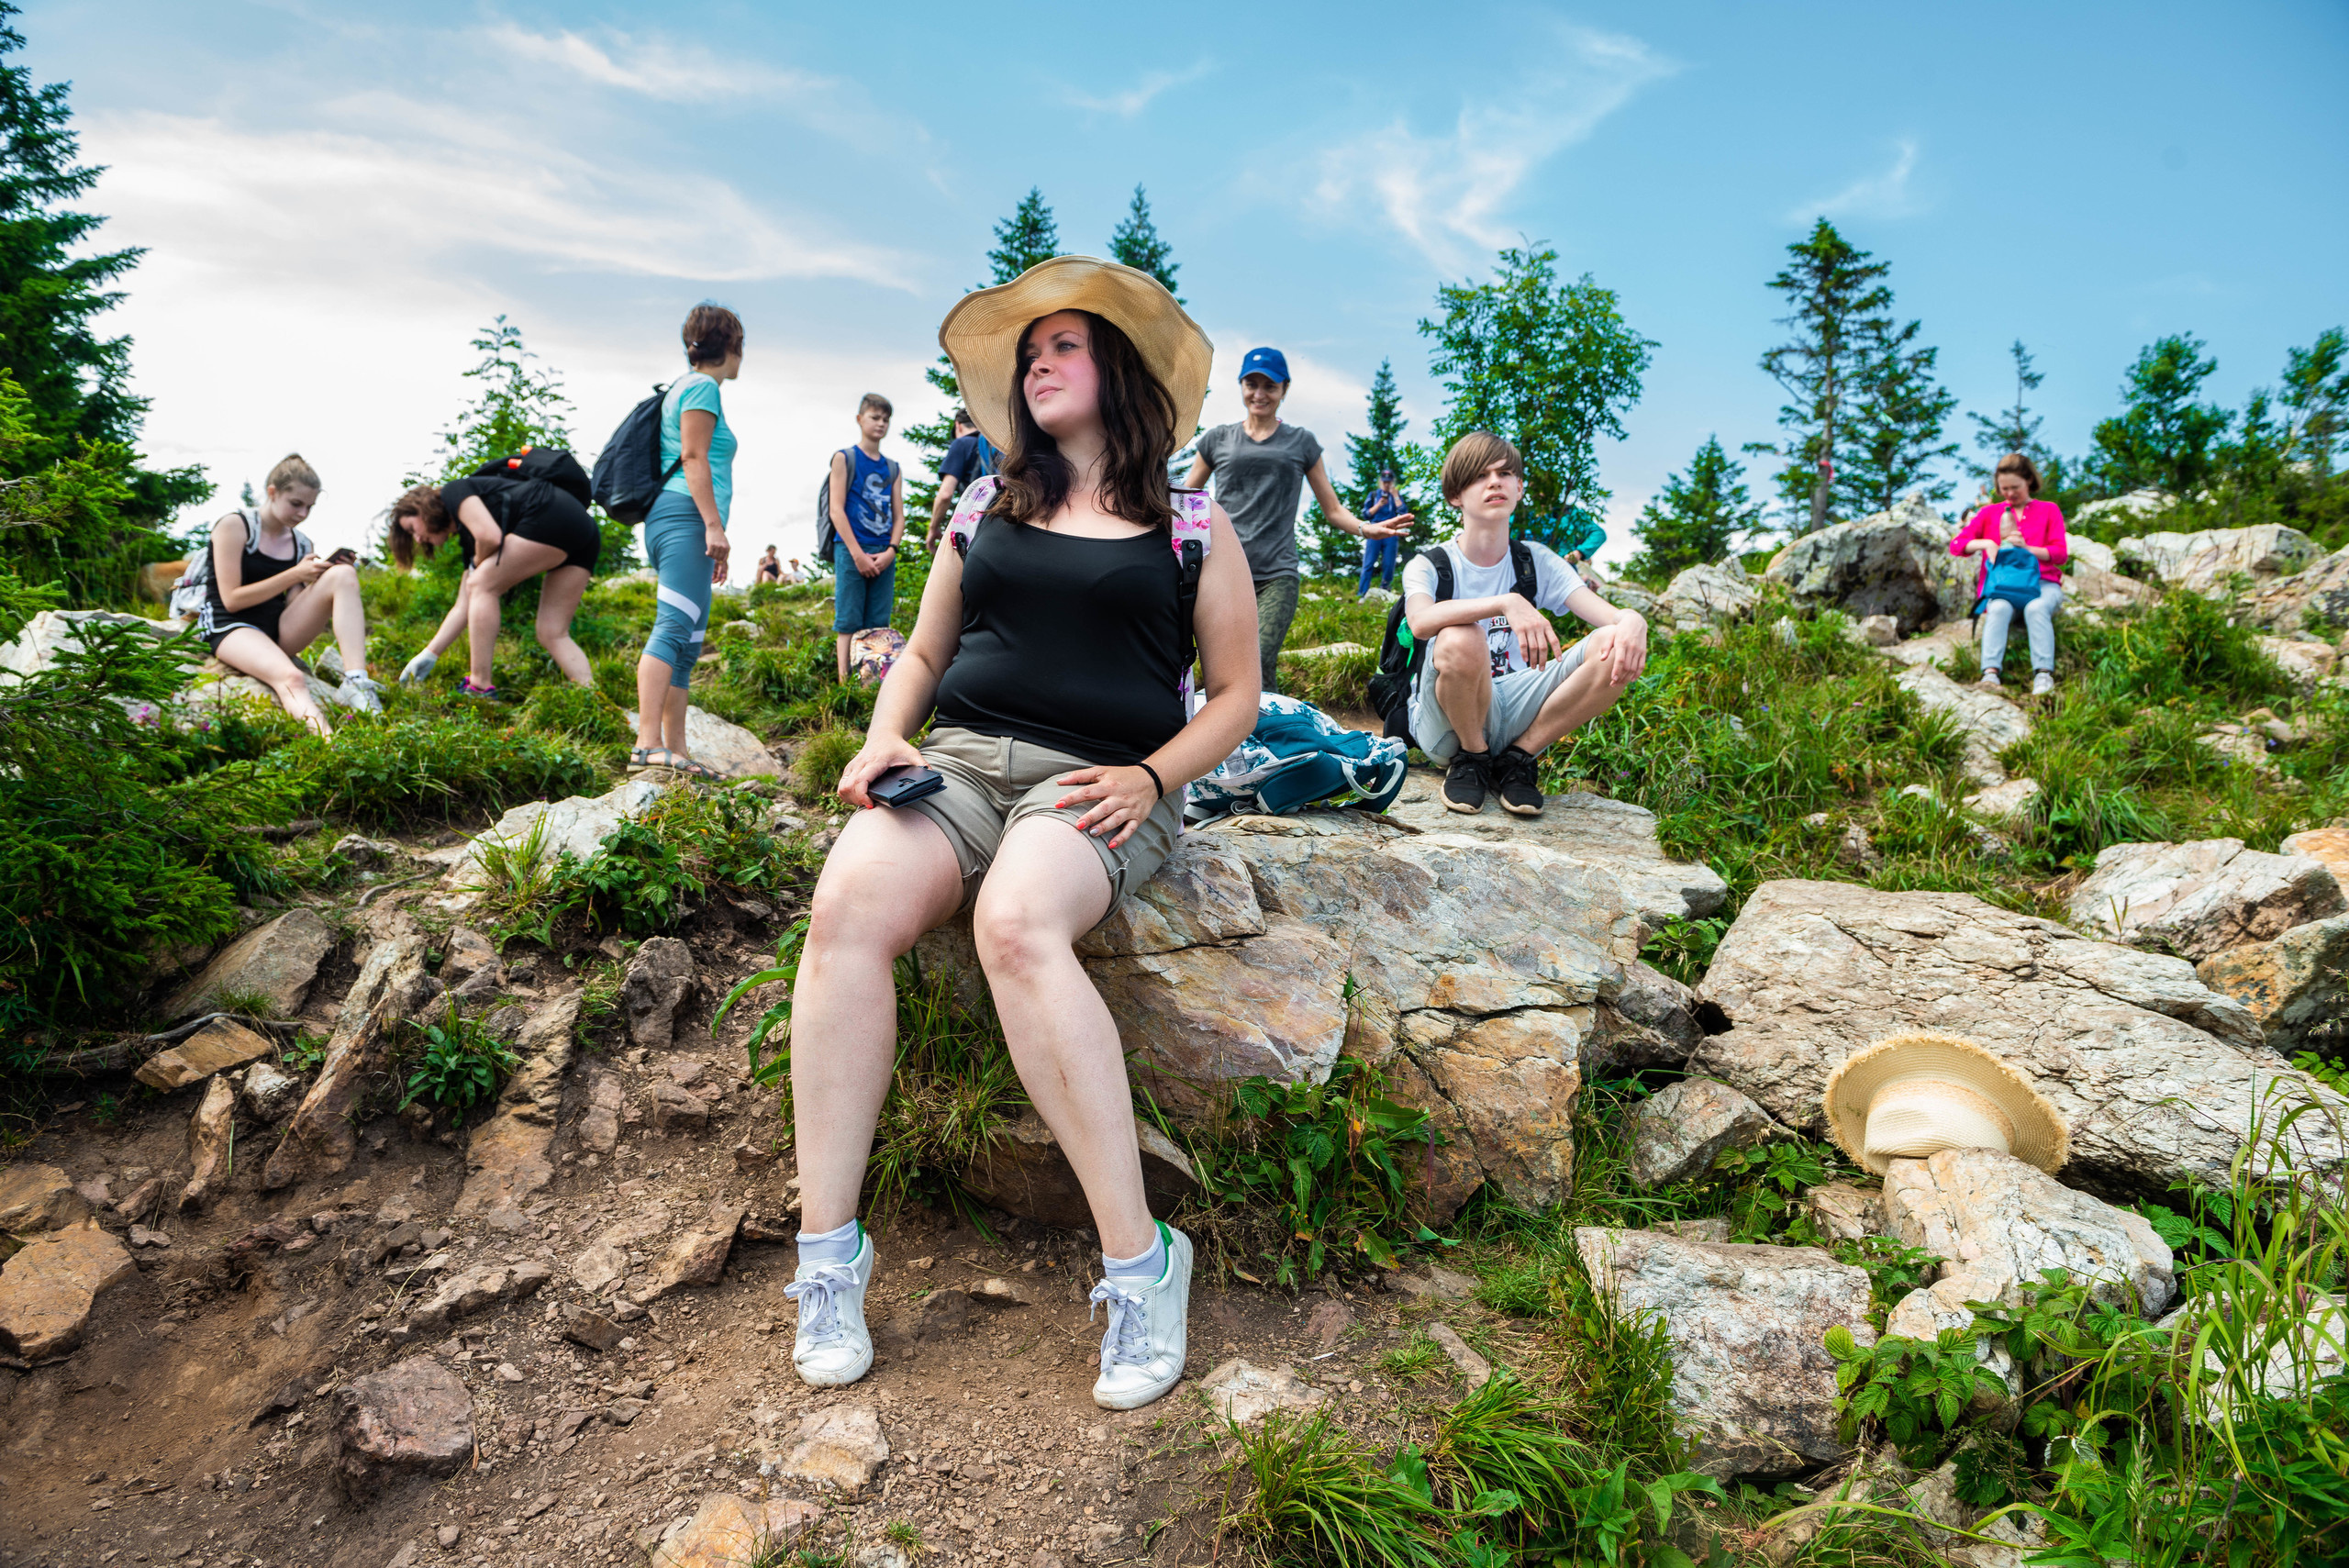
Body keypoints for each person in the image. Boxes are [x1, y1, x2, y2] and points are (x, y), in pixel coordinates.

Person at [786, 256, 1257, 1411]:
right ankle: (826, 1258)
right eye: (1028, 351)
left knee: (1014, 921)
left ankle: (1142, 1265)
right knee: (845, 910)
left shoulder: (1193, 519)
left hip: (1096, 782)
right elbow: (928, 652)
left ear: (1121, 372)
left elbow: (1238, 694)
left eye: (1064, 345)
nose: (1038, 363)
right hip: (957, 762)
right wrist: (883, 735)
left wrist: (1153, 775)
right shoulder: (981, 501)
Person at [1402, 431, 1649, 817]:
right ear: (1455, 495)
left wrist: (1634, 621)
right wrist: (1505, 602)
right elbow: (1420, 622)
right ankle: (1472, 757)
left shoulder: (1537, 561)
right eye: (1479, 476)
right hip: (1446, 722)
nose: (1494, 482)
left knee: (1614, 643)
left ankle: (1517, 759)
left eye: (1504, 473)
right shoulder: (1431, 564)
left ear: (1519, 488)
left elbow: (1610, 617)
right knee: (1460, 635)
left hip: (1516, 706)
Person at [1183, 348, 1408, 692]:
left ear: (1284, 389)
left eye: (1269, 386)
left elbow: (1332, 509)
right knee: (1223, 666)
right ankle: (1264, 730)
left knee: (1258, 655)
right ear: (1241, 386)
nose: (1259, 394)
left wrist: (1367, 529)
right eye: (1251, 384)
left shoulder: (1301, 443)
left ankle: (1252, 729)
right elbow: (1185, 500)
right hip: (1224, 570)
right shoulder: (1217, 439)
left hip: (1277, 574)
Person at [622, 303, 741, 773]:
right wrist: (713, 526)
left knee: (688, 642)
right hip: (683, 516)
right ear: (733, 346)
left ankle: (676, 750)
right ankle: (647, 743)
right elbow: (693, 458)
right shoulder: (701, 388)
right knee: (672, 629)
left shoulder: (685, 387)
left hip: (678, 519)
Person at [388, 451, 603, 701]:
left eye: (412, 529)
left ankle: (479, 687)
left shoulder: (453, 492)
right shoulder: (468, 540)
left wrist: (479, 567)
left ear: (422, 508)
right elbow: (463, 605)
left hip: (551, 513)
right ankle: (592, 699)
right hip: (584, 532)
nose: (417, 539)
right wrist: (430, 653)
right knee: (552, 631)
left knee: (482, 583)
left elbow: (489, 537)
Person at [196, 452, 382, 736]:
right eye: (296, 504)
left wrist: (316, 581)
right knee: (292, 677)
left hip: (278, 629)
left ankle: (356, 681)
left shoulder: (302, 543)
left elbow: (294, 604)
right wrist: (294, 574)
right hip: (230, 625)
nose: (302, 514)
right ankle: (329, 744)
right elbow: (231, 598)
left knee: (342, 574)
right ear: (272, 492)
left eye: (310, 507)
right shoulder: (235, 526)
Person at [1949, 453, 2066, 695]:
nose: (2010, 494)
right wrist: (1986, 544)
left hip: (2043, 584)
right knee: (1999, 608)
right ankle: (1990, 674)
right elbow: (1957, 545)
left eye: (2016, 487)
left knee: (2036, 608)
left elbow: (2060, 554)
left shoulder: (2048, 510)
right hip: (2004, 587)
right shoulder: (1989, 513)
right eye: (2004, 489)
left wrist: (2027, 549)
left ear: (2029, 481)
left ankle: (2043, 675)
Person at [829, 394, 906, 684]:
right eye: (875, 417)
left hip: (883, 552)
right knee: (847, 620)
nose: (881, 424)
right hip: (850, 549)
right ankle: (843, 683)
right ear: (860, 419)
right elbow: (836, 510)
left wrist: (891, 551)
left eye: (885, 419)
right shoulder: (844, 458)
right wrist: (857, 555)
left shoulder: (893, 468)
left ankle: (871, 684)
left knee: (878, 623)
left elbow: (899, 516)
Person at [924, 406, 998, 547]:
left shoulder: (961, 443)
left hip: (977, 524)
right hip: (1002, 518)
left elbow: (945, 494)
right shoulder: (994, 442)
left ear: (957, 425)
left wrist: (933, 528)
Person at [1356, 469, 1408, 597]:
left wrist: (1395, 496)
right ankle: (1362, 593)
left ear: (1392, 482)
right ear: (1381, 482)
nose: (1386, 485)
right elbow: (1366, 514)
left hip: (1390, 533)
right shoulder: (1373, 495)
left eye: (1389, 482)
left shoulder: (1396, 496)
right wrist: (1378, 505)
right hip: (1374, 529)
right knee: (1368, 563)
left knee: (1389, 563)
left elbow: (1403, 512)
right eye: (1384, 482)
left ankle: (1385, 589)